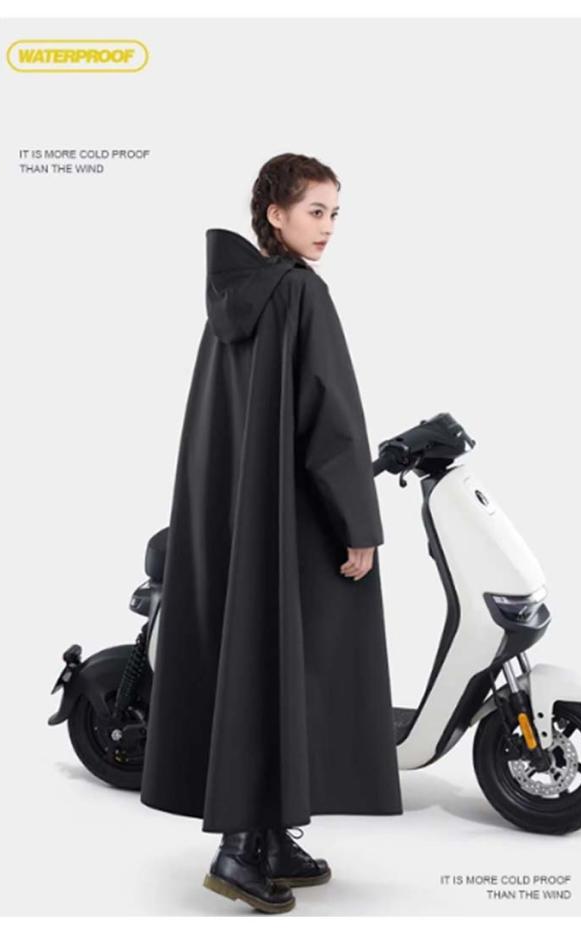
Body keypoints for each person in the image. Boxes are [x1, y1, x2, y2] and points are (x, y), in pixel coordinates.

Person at [140, 153, 403, 914]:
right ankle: (239, 849)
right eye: (315, 211)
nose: (328, 227)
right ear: (275, 214)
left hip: (235, 519)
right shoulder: (299, 293)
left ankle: (272, 835)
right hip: (289, 521)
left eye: (335, 213)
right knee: (292, 662)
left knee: (259, 663)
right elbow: (330, 419)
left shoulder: (236, 295)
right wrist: (358, 524)